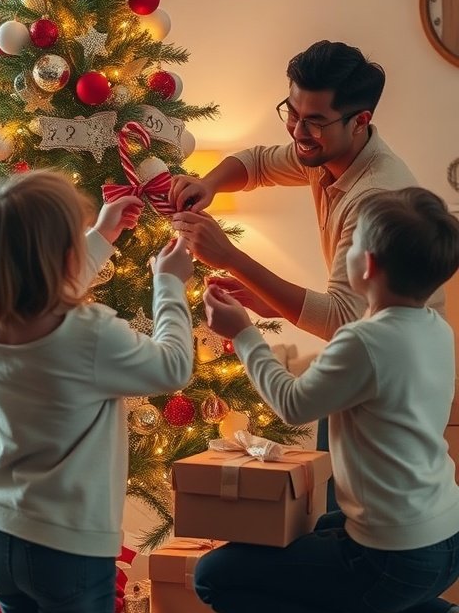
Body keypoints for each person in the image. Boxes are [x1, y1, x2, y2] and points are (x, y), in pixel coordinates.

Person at [196, 187, 459, 613]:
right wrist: (262, 298)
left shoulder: (364, 342)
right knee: (324, 529)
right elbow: (371, 348)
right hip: (444, 540)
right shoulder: (432, 327)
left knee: (214, 575)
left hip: (393, 559)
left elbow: (293, 402)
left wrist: (244, 335)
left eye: (352, 241)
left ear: (368, 265)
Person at [170, 39, 444, 508]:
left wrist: (232, 258)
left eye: (314, 120)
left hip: (387, 369)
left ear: (361, 122)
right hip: (373, 351)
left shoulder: (374, 198)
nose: (298, 131)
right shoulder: (326, 152)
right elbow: (257, 162)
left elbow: (341, 318)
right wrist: (208, 183)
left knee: (359, 515)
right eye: (291, 112)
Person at [0, 170, 194, 613]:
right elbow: (173, 366)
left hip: (1, 536)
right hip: (67, 549)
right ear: (59, 257)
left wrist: (102, 235)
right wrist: (169, 283)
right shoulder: (89, 333)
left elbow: (37, 285)